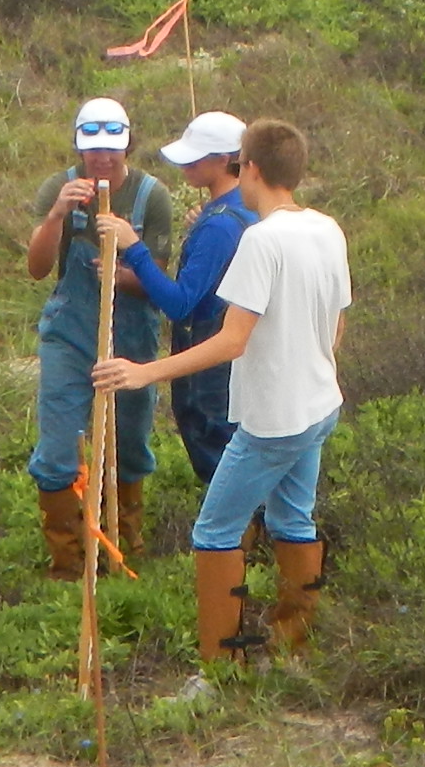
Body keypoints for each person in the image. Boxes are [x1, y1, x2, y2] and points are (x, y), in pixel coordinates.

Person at [94, 118, 345, 666]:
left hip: (274, 417)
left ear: (248, 167)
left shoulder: (261, 240)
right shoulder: (326, 229)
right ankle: (292, 648)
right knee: (292, 520)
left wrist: (146, 372)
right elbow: (336, 322)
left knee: (214, 532)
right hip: (320, 405)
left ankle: (218, 668)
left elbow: (232, 340)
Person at [20, 95, 178, 571]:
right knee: (58, 445)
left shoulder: (152, 197)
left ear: (128, 145)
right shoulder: (59, 187)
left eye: (112, 147)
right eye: (93, 149)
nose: (103, 158)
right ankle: (69, 559)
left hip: (130, 336)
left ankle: (124, 540)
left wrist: (123, 270)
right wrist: (57, 216)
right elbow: (37, 268)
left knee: (129, 441)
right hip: (69, 333)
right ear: (79, 146)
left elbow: (157, 283)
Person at [122, 110, 257, 494]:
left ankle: (241, 530)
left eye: (195, 160)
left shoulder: (220, 225)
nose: (186, 166)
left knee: (222, 470)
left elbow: (179, 303)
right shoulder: (243, 211)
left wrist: (134, 250)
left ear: (224, 160)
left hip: (208, 365)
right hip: (237, 359)